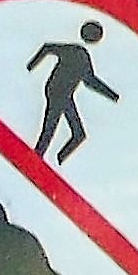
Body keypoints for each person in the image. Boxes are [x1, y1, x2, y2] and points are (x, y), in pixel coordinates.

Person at [26, 18, 118, 166]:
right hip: (56, 92)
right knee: (51, 126)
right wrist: (30, 66)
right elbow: (47, 47)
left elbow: (89, 81)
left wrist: (112, 95)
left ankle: (57, 160)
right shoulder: (76, 51)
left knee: (78, 134)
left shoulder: (82, 55)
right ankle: (37, 157)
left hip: (64, 94)